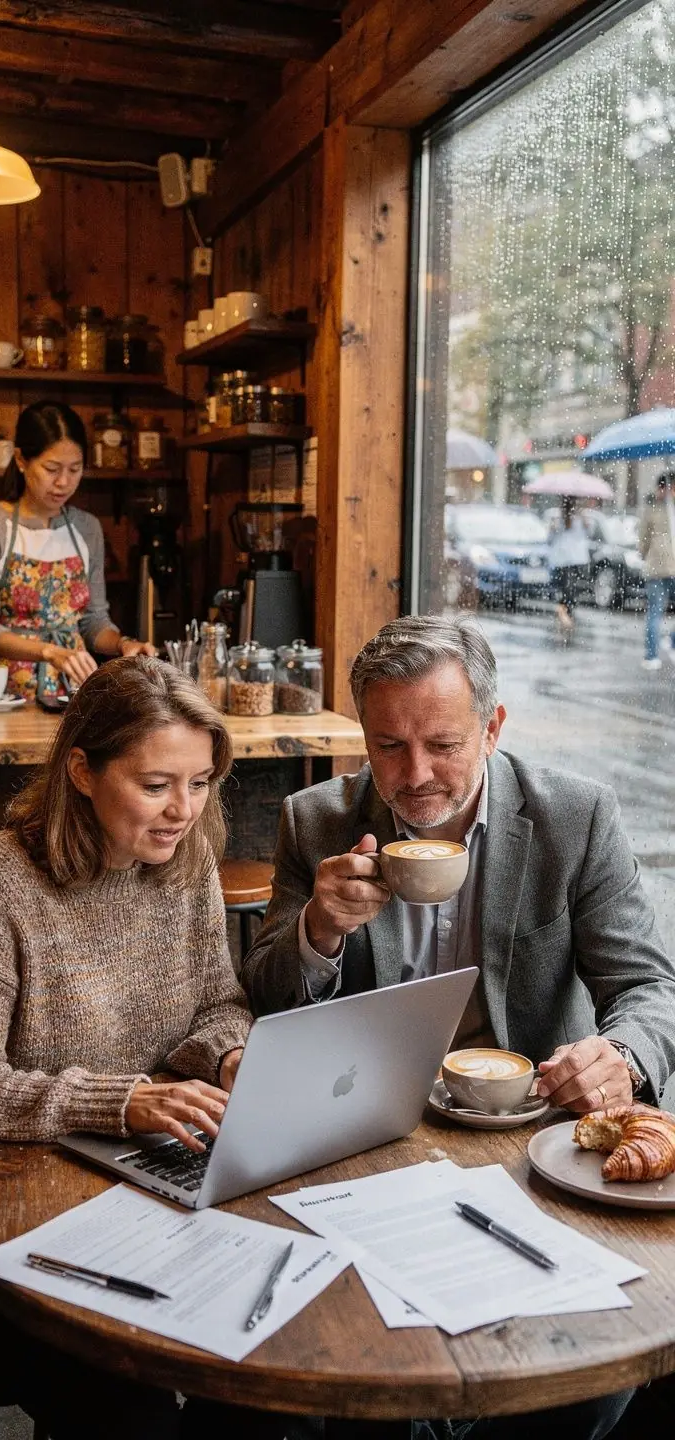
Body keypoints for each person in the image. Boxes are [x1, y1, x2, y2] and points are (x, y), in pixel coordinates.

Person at [242, 615, 675, 1440]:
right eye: (389, 747)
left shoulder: (572, 818)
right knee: (375, 1377)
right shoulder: (316, 821)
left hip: (530, 1136)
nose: (417, 775)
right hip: (369, 1137)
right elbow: (266, 1001)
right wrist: (318, 933)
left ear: (494, 725)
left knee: (576, 1382)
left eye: (442, 743)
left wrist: (618, 1057)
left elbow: (650, 985)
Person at [0, 657, 291, 1439]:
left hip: (124, 1188)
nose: (184, 811)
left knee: (258, 1366)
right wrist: (122, 1100)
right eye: (157, 784)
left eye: (201, 783)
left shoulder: (186, 861)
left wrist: (226, 1055)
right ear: (82, 771)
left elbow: (220, 1002)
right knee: (125, 1407)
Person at [0, 400, 155, 701]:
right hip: (3, 697)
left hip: (73, 695)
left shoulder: (87, 528)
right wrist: (49, 652)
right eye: (51, 469)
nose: (63, 482)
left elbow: (93, 621)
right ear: (22, 460)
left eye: (74, 470)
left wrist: (123, 644)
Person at [639, 471, 675, 670]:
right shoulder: (653, 509)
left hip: (665, 567)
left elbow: (643, 542)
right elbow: (643, 540)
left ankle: (668, 643)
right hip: (657, 569)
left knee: (654, 612)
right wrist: (646, 555)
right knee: (655, 613)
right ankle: (651, 655)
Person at [546, 497, 591, 635]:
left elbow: (550, 540)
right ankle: (565, 612)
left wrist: (585, 522)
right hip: (569, 559)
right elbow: (586, 536)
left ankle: (564, 611)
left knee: (568, 588)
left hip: (568, 559)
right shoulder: (559, 519)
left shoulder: (578, 519)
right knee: (569, 588)